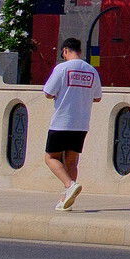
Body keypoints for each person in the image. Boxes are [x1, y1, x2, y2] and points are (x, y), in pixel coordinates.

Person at [41, 38, 102, 211]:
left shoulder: (62, 68)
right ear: (80, 51)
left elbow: (48, 92)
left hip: (62, 121)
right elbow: (97, 97)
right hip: (81, 123)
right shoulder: (91, 70)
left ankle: (69, 185)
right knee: (72, 162)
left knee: (51, 157)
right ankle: (65, 200)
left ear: (66, 50)